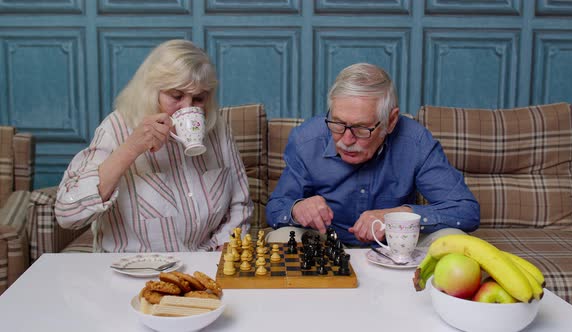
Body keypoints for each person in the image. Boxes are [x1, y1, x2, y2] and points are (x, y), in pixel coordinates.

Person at [55, 40, 252, 252]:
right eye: (176, 96)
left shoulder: (217, 127)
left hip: (202, 265)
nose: (187, 107)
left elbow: (240, 202)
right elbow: (68, 214)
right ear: (152, 91)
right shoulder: (116, 128)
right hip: (131, 270)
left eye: (198, 98)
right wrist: (130, 149)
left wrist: (224, 245)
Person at [265, 63, 479, 247]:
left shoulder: (416, 141)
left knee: (454, 239)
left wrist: (397, 217)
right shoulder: (306, 139)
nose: (346, 140)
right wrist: (297, 208)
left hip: (396, 245)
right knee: (282, 237)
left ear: (391, 120)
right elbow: (275, 209)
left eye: (361, 128)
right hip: (323, 245)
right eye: (338, 123)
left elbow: (466, 211)